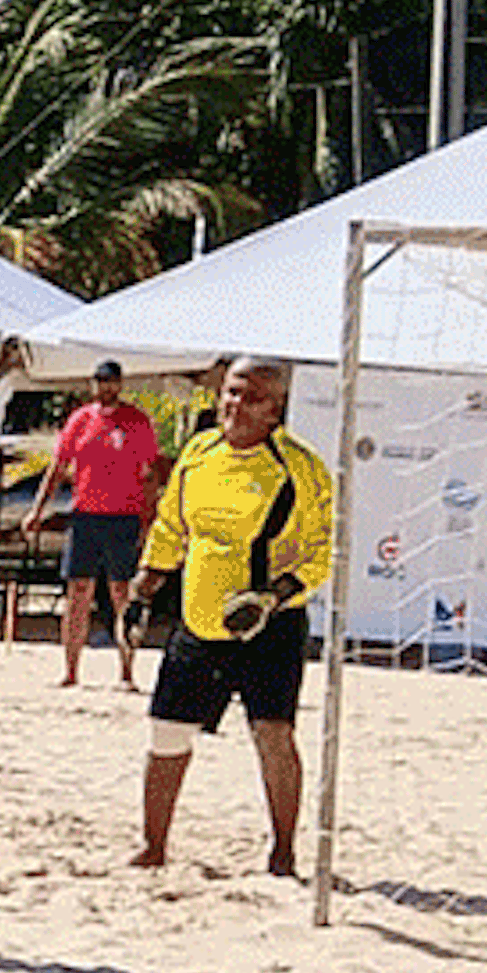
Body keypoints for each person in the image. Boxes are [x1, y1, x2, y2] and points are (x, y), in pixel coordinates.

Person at [129, 357, 335, 878]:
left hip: (270, 627)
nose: (234, 405)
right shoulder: (198, 452)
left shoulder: (300, 467)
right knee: (167, 734)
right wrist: (147, 581)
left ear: (276, 409)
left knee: (273, 736)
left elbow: (320, 553)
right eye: (230, 392)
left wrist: (270, 598)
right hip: (198, 622)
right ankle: (153, 847)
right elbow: (172, 525)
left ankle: (283, 852)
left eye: (250, 397)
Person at [25, 360, 162, 689]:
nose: (105, 388)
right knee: (78, 593)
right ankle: (71, 670)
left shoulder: (136, 421)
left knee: (121, 593)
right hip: (85, 515)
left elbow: (150, 473)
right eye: (100, 382)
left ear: (120, 384)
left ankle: (127, 671)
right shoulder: (81, 419)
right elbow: (57, 468)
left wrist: (150, 518)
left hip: (124, 516)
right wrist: (37, 510)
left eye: (111, 382)